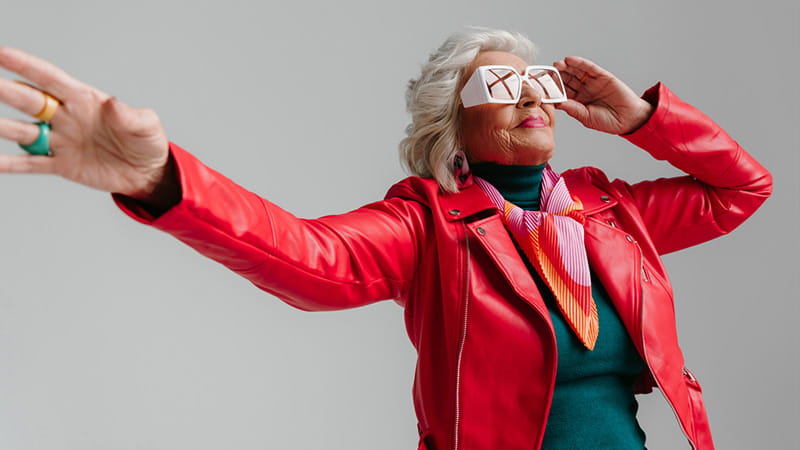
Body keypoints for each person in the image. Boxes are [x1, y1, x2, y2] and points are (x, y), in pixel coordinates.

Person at [0, 28, 771, 450]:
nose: (530, 93)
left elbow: (743, 188)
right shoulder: (428, 226)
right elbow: (307, 257)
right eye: (499, 84)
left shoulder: (610, 213)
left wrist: (643, 118)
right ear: (452, 122)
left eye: (538, 81)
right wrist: (163, 177)